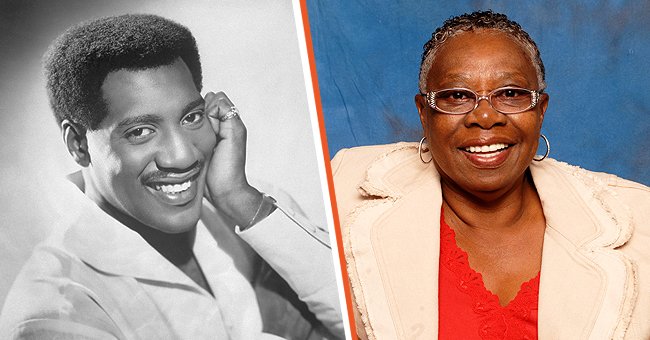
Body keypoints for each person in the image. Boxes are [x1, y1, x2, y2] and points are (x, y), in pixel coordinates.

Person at [0, 14, 343, 340]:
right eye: (140, 131)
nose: (183, 156)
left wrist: (238, 198)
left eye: (191, 117)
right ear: (78, 144)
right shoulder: (53, 314)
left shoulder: (249, 209)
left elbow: (373, 316)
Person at [332, 10, 649, 339]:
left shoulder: (641, 221)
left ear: (540, 110)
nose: (485, 116)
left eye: (510, 94)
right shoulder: (342, 192)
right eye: (456, 96)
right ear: (424, 113)